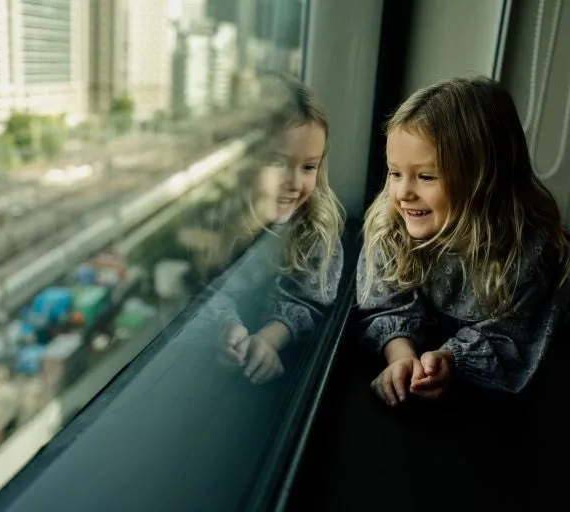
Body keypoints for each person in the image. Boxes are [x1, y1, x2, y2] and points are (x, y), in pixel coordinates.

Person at [358, 76, 570, 406]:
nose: (402, 193)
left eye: (426, 176)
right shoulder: (391, 225)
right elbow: (385, 302)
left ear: (485, 180)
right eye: (394, 172)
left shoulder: (531, 249)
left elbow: (512, 335)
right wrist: (401, 356)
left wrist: (450, 358)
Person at [207, 73, 345, 384]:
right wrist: (227, 328)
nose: (295, 184)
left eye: (309, 167)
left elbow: (308, 299)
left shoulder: (316, 227)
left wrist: (268, 340)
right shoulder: (215, 222)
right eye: (279, 163)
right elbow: (203, 293)